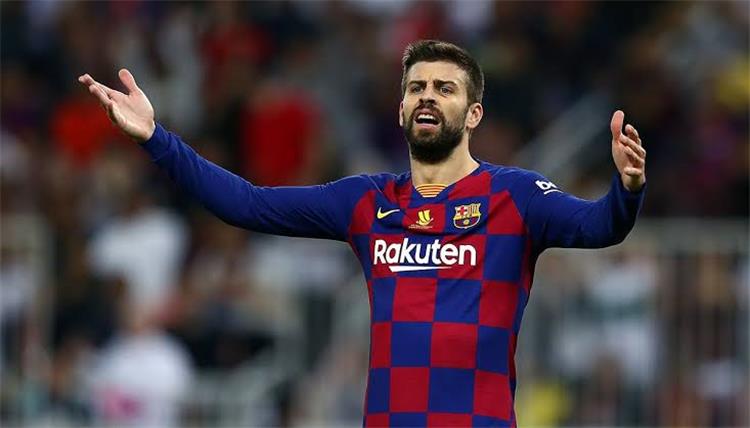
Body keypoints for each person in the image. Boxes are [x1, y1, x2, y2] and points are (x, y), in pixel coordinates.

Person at [79, 40, 646, 427]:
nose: (428, 96)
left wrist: (627, 188)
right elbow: (247, 203)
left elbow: (599, 226)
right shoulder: (368, 203)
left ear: (473, 114)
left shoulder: (515, 197)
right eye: (417, 87)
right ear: (401, 109)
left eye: (445, 89)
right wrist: (155, 137)